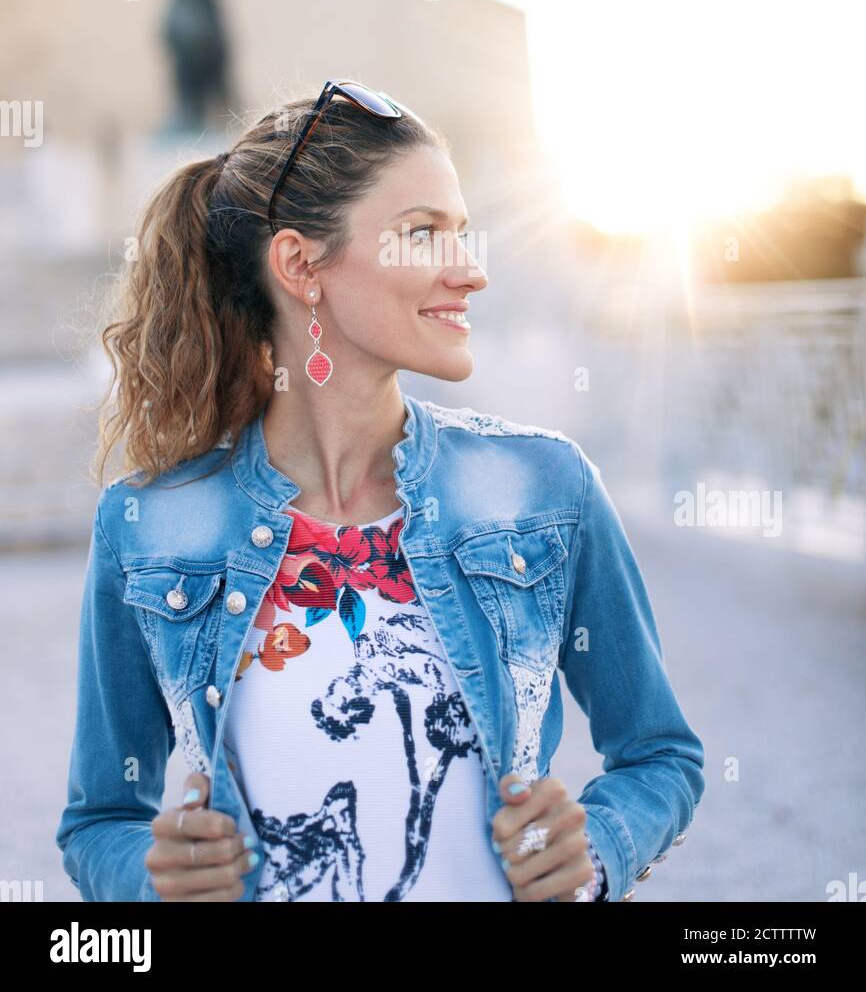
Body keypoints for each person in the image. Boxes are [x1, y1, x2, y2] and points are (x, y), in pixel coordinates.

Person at [56, 79, 705, 902]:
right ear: (301, 264)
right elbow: (101, 819)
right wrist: (153, 882)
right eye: (423, 234)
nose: (469, 271)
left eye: (462, 233)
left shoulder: (542, 488)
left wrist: (598, 848)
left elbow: (661, 754)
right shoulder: (149, 527)